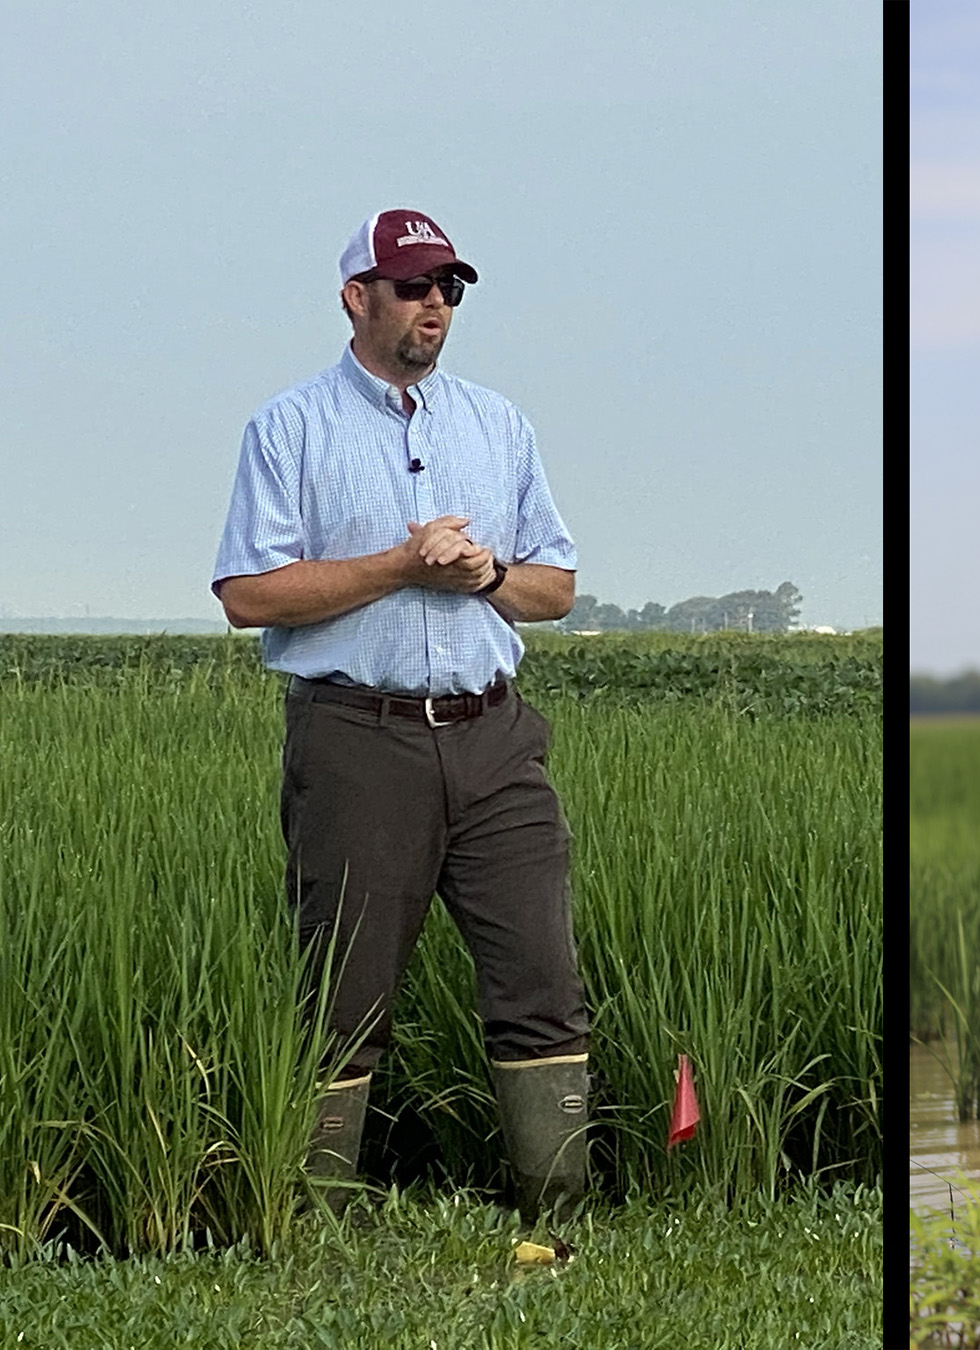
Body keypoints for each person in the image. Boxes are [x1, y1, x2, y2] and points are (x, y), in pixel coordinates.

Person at [212, 208, 591, 1224]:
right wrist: (398, 563)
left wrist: (485, 572)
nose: (436, 306)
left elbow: (554, 590)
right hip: (356, 739)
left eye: (449, 290)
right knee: (342, 995)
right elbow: (247, 594)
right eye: (416, 287)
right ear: (357, 297)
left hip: (497, 736)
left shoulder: (498, 425)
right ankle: (319, 1217)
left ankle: (558, 1209)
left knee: (542, 977)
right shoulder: (288, 428)